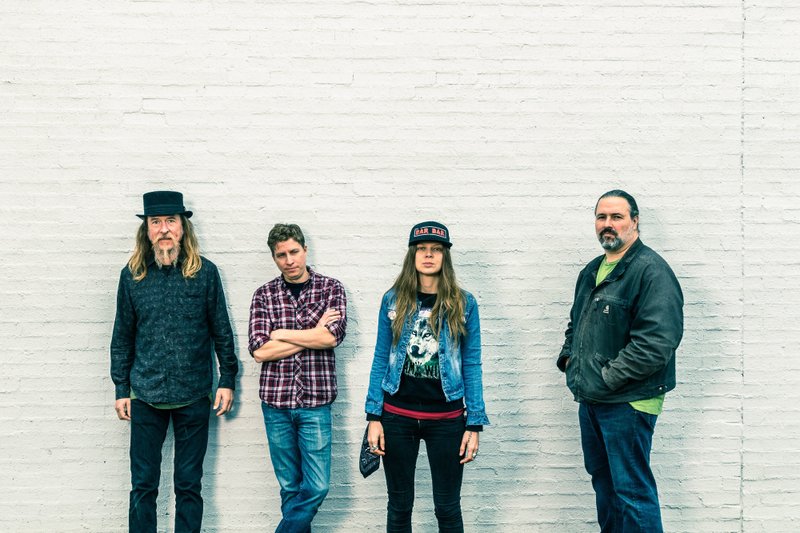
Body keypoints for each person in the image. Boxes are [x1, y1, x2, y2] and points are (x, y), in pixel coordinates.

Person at [110, 190, 238, 533]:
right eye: (156, 222)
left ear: (183, 227)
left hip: (194, 395)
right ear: (147, 230)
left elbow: (221, 331)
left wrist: (227, 379)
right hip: (145, 396)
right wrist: (121, 387)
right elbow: (122, 337)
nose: (164, 229)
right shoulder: (132, 275)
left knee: (188, 486)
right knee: (143, 487)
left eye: (170, 221)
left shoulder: (206, 273)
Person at [557, 190, 684, 532]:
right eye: (602, 218)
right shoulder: (592, 271)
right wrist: (570, 361)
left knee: (631, 491)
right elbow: (576, 324)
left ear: (635, 221)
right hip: (594, 400)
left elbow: (657, 342)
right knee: (606, 487)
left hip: (629, 401)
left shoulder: (651, 271)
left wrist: (608, 377)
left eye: (616, 217)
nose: (608, 225)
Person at [364, 221, 489, 533]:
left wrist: (473, 424)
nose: (429, 255)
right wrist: (373, 416)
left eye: (436, 249)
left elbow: (472, 364)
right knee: (399, 506)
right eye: (422, 249)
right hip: (396, 417)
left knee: (447, 508)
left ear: (445, 256)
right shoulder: (392, 300)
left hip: (447, 420)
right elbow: (381, 357)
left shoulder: (464, 303)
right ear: (413, 255)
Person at [248, 223, 347, 533]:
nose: (289, 260)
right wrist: (313, 331)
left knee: (317, 486)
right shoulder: (264, 295)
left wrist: (282, 334)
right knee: (290, 487)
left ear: (305, 250)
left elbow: (331, 339)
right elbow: (260, 351)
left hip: (315, 403)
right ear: (274, 258)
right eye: (281, 255)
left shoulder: (331, 289)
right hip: (275, 404)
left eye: (294, 252)